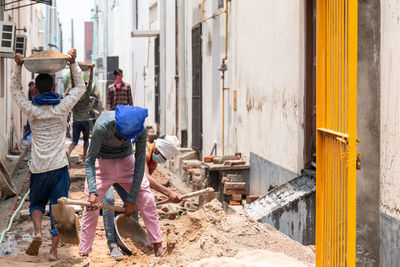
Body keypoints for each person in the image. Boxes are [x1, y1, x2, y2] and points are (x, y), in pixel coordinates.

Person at [11, 49, 85, 261]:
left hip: (38, 168)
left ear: (35, 92)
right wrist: (73, 63)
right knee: (58, 208)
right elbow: (80, 87)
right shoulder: (62, 108)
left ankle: (36, 232)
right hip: (59, 167)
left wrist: (17, 66)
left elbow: (15, 90)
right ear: (54, 88)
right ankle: (53, 252)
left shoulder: (31, 109)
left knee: (36, 203)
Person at [79, 105, 165, 258]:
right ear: (115, 126)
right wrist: (93, 190)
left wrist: (131, 199)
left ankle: (157, 244)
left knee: (147, 199)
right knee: (90, 208)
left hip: (127, 162)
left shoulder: (140, 130)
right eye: (120, 136)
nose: (122, 139)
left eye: (126, 138)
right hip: (101, 162)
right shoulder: (102, 127)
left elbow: (139, 163)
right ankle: (84, 252)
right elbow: (90, 159)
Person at [102, 135, 181, 261]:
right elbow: (146, 177)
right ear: (156, 149)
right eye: (162, 156)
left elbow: (141, 184)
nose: (161, 160)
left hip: (123, 175)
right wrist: (168, 193)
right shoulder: (142, 150)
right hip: (105, 167)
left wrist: (131, 200)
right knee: (108, 201)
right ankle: (112, 244)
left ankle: (133, 239)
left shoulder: (153, 161)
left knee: (135, 203)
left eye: (164, 159)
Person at [67, 64, 95, 162]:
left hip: (76, 121)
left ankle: (68, 153)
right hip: (85, 120)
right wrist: (91, 70)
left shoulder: (76, 94)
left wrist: (71, 68)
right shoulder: (87, 94)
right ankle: (84, 156)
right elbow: (91, 81)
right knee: (86, 140)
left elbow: (73, 80)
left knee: (74, 141)